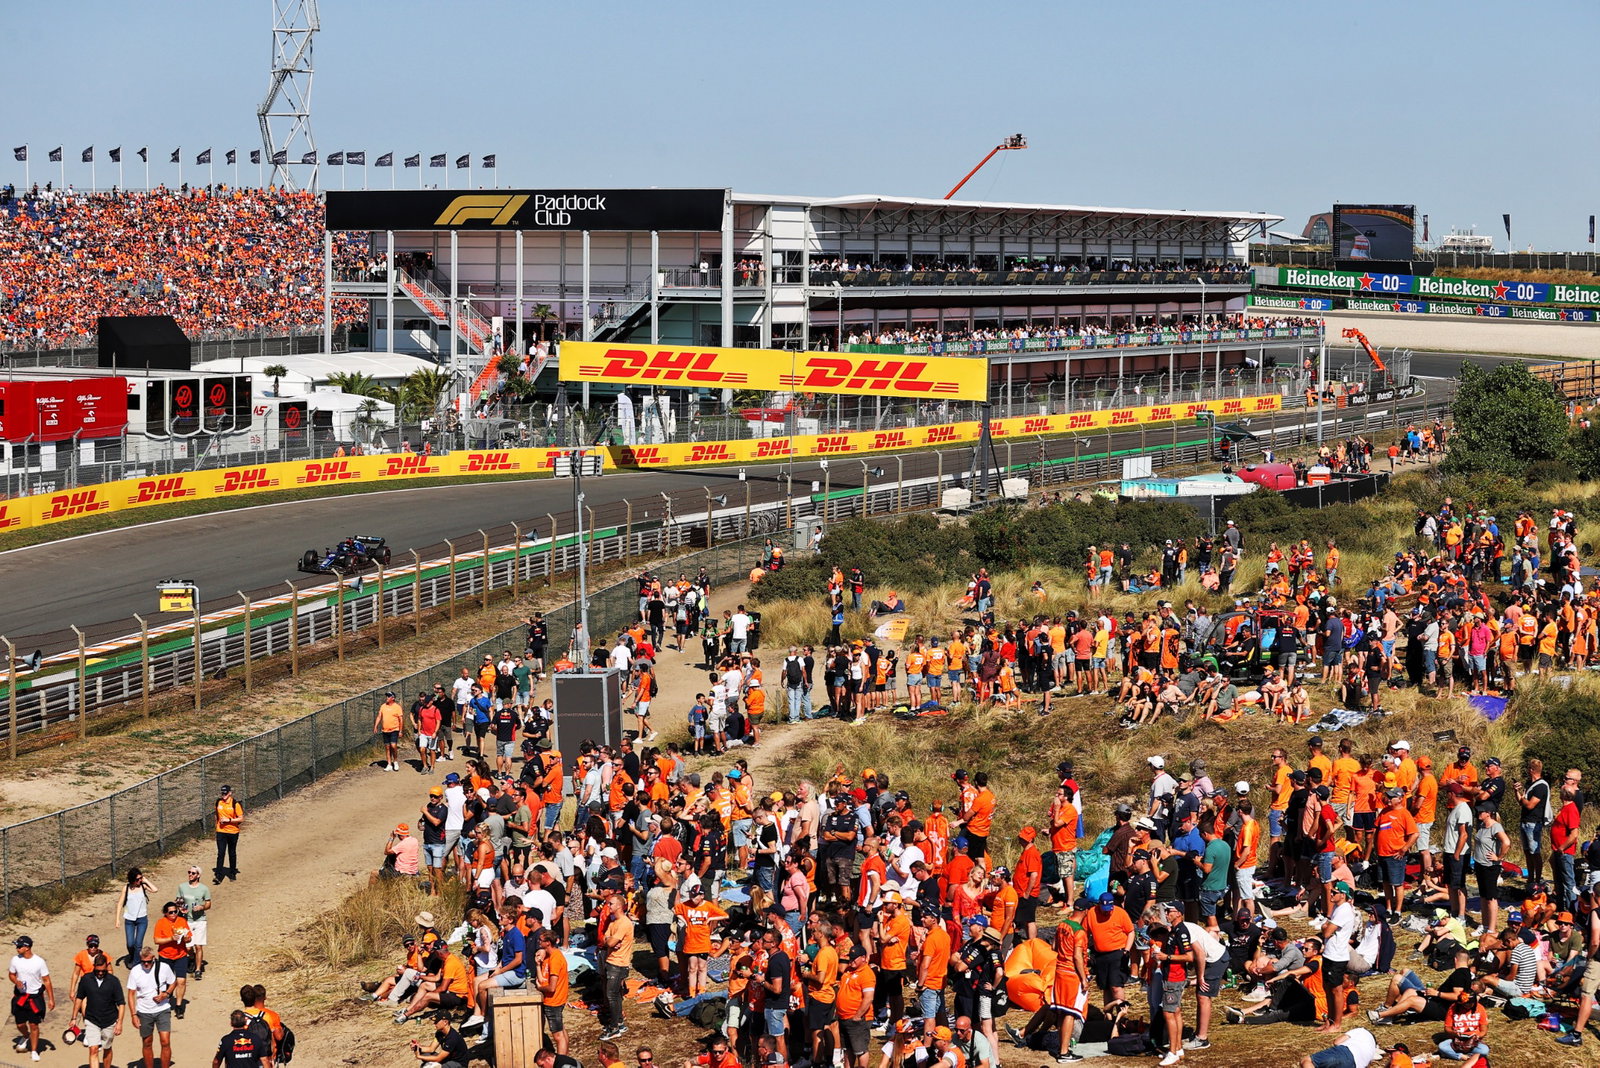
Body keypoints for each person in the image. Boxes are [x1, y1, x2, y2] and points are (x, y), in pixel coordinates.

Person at [71, 950, 124, 1068]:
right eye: (98, 970)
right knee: (93, 1049)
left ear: (106, 968)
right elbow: (79, 998)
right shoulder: (86, 979)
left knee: (107, 1048)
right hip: (91, 1019)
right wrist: (74, 1018)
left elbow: (121, 1003)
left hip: (110, 1020)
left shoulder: (113, 981)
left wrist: (119, 1022)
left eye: (103, 971)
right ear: (94, 967)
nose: (100, 973)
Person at [125, 945, 175, 1068]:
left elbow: (173, 982)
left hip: (162, 1009)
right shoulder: (136, 971)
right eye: (143, 962)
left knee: (165, 1041)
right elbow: (131, 994)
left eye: (148, 962)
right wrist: (133, 1015)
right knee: (147, 1042)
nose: (146, 965)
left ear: (154, 958)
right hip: (144, 1011)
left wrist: (166, 994)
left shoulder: (164, 968)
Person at [8, 936, 52, 1062]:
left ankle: (34, 1051)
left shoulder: (39, 962)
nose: (17, 948)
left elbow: (47, 981)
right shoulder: (15, 960)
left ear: (27, 947)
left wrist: (51, 999)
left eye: (19, 946)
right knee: (20, 1024)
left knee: (34, 1025)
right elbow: (11, 974)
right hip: (20, 997)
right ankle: (26, 1036)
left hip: (35, 998)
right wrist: (16, 981)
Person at [151, 899, 192, 1019]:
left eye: (175, 911)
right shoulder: (160, 923)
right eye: (171, 912)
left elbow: (189, 938)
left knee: (181, 981)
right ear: (165, 913)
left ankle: (179, 1006)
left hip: (181, 955)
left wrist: (185, 938)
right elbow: (157, 940)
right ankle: (166, 1002)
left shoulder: (182, 921)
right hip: (165, 956)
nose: (173, 914)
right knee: (166, 982)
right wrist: (171, 939)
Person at [176, 866, 213, 978]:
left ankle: (197, 970)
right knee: (188, 947)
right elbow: (178, 900)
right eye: (189, 872)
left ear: (198, 875)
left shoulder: (204, 889)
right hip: (186, 920)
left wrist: (201, 907)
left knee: (198, 946)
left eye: (193, 873)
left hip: (200, 920)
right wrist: (180, 908)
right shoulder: (182, 887)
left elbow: (208, 904)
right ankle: (191, 957)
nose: (190, 874)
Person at [118, 868, 158, 968]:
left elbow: (155, 890)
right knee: (130, 943)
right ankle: (132, 955)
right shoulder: (126, 888)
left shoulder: (143, 886)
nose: (139, 881)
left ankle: (135, 963)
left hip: (142, 919)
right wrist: (117, 919)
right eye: (137, 879)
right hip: (129, 919)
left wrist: (145, 880)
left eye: (140, 878)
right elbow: (120, 903)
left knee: (138, 944)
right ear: (132, 880)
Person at [1297, 1027, 1386, 1068]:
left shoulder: (1361, 1030)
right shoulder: (1371, 1051)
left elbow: (1336, 1042)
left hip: (1345, 1052)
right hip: (1355, 1065)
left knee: (1307, 1060)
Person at [214, 784, 244, 883]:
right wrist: (217, 826)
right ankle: (218, 875)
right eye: (222, 793)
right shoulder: (219, 802)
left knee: (231, 852)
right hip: (221, 832)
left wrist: (229, 820)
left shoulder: (235, 804)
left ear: (230, 793)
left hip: (233, 832)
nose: (224, 795)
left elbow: (241, 818)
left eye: (226, 793)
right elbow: (216, 815)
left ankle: (232, 873)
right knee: (221, 853)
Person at [376, 691, 406, 772]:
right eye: (387, 696)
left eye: (389, 696)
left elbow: (401, 719)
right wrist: (376, 726)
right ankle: (389, 764)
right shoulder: (383, 706)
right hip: (385, 730)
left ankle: (395, 761)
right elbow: (379, 716)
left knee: (393, 746)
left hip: (394, 729)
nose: (387, 698)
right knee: (387, 747)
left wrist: (400, 730)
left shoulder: (397, 707)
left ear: (393, 698)